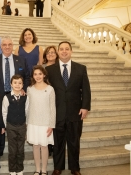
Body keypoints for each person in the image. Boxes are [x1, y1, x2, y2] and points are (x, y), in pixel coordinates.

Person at [46, 41, 91, 175]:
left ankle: (75, 168)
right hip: (57, 112)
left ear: (71, 51)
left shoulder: (81, 68)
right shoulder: (49, 70)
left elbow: (86, 90)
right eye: (61, 49)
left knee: (74, 142)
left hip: (75, 112)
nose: (64, 51)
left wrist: (85, 107)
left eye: (67, 49)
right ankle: (57, 167)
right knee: (58, 143)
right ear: (58, 52)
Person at [0, 35, 30, 156]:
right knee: (0, 120)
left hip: (15, 95)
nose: (7, 47)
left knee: (13, 121)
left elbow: (26, 77)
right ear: (1, 47)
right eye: (4, 45)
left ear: (13, 46)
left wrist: (23, 89)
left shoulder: (21, 60)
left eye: (9, 44)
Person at [27, 65, 56, 175]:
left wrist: (51, 125)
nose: (38, 76)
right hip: (32, 122)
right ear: (33, 76)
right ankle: (37, 169)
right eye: (35, 74)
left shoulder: (50, 89)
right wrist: (26, 122)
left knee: (44, 146)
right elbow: (28, 106)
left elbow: (52, 108)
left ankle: (44, 170)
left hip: (45, 123)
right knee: (35, 146)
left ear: (44, 75)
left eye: (40, 74)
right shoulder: (30, 89)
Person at [2, 74, 29, 175]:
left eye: (20, 83)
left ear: (22, 85)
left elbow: (27, 111)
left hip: (22, 125)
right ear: (11, 84)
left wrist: (26, 124)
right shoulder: (7, 97)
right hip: (11, 125)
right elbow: (4, 112)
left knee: (20, 148)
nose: (17, 85)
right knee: (12, 149)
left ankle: (20, 169)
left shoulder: (25, 97)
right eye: (15, 83)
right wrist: (5, 126)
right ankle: (12, 169)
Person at [42, 45, 59, 156]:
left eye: (53, 52)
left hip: (58, 97)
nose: (50, 54)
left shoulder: (60, 66)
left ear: (56, 54)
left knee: (55, 121)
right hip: (44, 98)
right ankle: (47, 145)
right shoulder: (42, 67)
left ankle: (54, 145)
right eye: (48, 52)